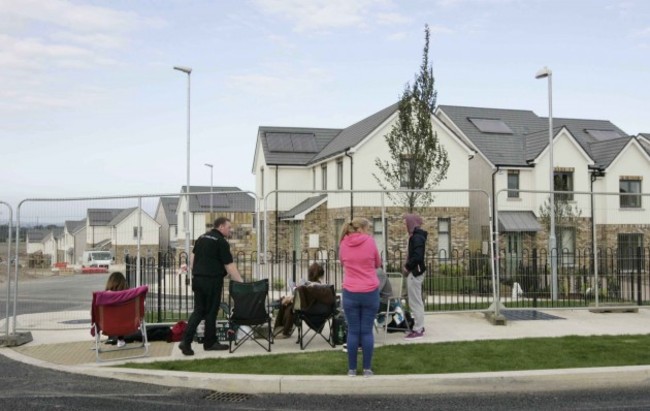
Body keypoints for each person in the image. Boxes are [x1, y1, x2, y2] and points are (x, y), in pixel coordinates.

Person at [179, 217, 244, 356]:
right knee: (211, 312)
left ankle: (186, 341)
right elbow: (229, 265)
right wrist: (241, 283)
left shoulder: (201, 238)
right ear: (220, 227)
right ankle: (210, 342)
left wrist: (196, 272)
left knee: (198, 311)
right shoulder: (221, 242)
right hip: (212, 280)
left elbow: (192, 258)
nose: (230, 230)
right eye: (228, 227)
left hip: (198, 279)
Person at [339, 217, 381, 377]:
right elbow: (377, 263)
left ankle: (351, 369)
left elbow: (343, 262)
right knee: (367, 331)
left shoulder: (343, 243)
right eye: (368, 228)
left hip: (350, 291)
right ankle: (367, 369)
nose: (369, 231)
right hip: (370, 291)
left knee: (353, 331)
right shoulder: (370, 242)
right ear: (362, 228)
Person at [274, 262, 325, 339]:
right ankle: (284, 330)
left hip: (307, 310)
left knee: (290, 306)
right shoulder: (321, 287)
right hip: (316, 310)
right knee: (289, 303)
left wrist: (288, 299)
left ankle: (283, 331)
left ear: (310, 274)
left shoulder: (310, 287)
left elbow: (303, 300)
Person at [402, 213, 428, 341]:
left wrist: (407, 266)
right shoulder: (416, 236)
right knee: (416, 300)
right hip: (416, 272)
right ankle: (419, 326)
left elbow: (417, 256)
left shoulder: (416, 238)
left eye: (406, 222)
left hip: (415, 272)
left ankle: (418, 329)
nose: (405, 225)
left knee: (415, 301)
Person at [104, 271, 128, 348]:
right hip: (128, 324)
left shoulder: (103, 298)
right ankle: (121, 340)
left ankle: (119, 340)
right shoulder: (129, 297)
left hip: (107, 326)